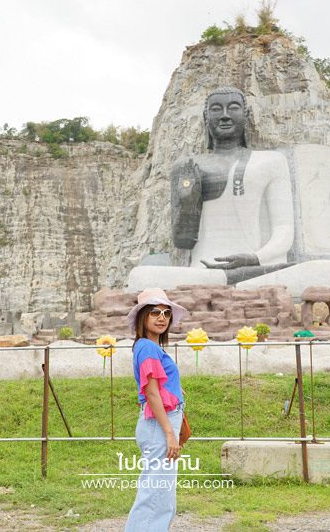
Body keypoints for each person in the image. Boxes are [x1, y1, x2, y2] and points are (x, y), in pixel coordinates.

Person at [171, 86, 295, 284]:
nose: (225, 116)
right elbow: (182, 242)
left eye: (234, 108)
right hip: (203, 270)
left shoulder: (271, 161)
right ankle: (231, 279)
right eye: (216, 109)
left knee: (324, 270)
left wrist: (254, 258)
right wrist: (188, 202)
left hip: (255, 264)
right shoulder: (186, 166)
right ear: (206, 116)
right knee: (142, 277)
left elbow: (284, 230)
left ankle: (238, 277)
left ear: (246, 115)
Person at [124, 287, 188, 531]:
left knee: (162, 495)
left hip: (162, 423)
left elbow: (157, 388)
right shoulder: (147, 347)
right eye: (155, 313)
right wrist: (170, 434)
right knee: (154, 495)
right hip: (159, 427)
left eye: (166, 313)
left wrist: (176, 392)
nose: (162, 318)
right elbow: (150, 393)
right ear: (143, 317)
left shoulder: (149, 347)